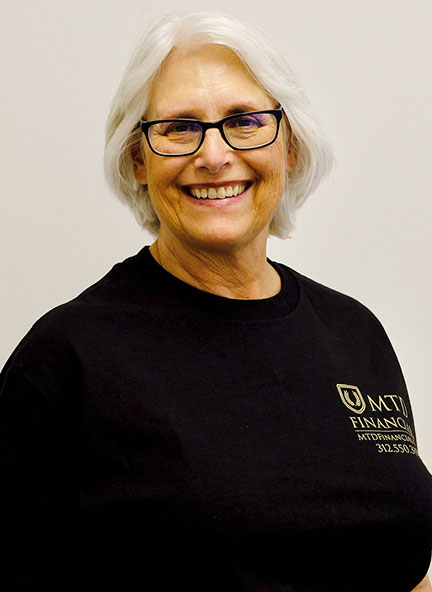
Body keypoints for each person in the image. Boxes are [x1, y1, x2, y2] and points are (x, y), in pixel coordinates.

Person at [1, 11, 431, 592]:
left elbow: (404, 568)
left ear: (290, 147)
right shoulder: (66, 360)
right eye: (180, 127)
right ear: (138, 160)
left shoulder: (354, 332)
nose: (214, 154)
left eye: (245, 121)